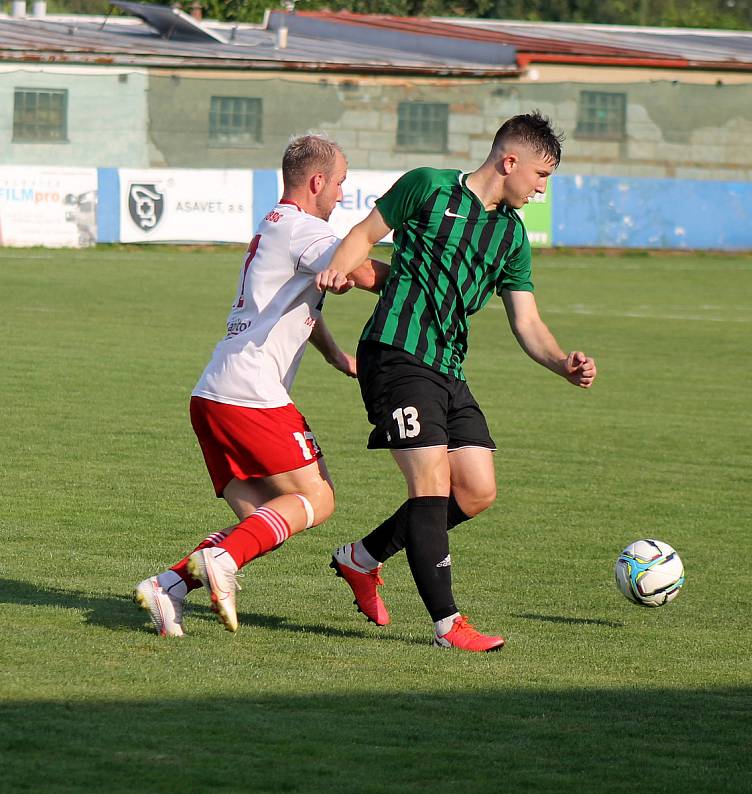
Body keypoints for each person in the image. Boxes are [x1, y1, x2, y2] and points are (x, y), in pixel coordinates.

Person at [317, 111, 597, 652]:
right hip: (396, 356)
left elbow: (527, 321)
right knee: (431, 486)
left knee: (476, 490)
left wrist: (563, 363)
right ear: (509, 161)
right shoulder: (428, 186)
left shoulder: (512, 237)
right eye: (541, 176)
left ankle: (362, 558)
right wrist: (338, 268)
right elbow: (363, 234)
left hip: (448, 367)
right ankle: (449, 625)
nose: (543, 188)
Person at [134, 134, 382, 637]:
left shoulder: (277, 224)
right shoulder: (305, 229)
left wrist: (337, 356)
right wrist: (432, 276)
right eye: (339, 184)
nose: (341, 196)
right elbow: (359, 270)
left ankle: (167, 587)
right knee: (320, 497)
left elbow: (296, 302)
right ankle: (219, 562)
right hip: (252, 395)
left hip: (213, 394)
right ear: (317, 182)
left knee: (266, 520)